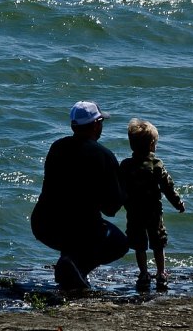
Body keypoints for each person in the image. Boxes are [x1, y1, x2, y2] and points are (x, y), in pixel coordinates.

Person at [31, 101, 129, 290]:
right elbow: (111, 208)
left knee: (73, 226)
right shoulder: (103, 156)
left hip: (44, 225)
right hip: (80, 229)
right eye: (101, 121)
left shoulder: (57, 147)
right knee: (119, 242)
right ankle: (76, 267)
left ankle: (70, 264)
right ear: (95, 125)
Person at [120, 118, 186, 291]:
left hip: (134, 212)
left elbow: (120, 188)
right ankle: (161, 273)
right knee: (158, 242)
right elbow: (168, 187)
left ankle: (143, 274)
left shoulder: (126, 165)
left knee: (139, 244)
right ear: (152, 145)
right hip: (153, 212)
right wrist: (178, 203)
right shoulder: (157, 165)